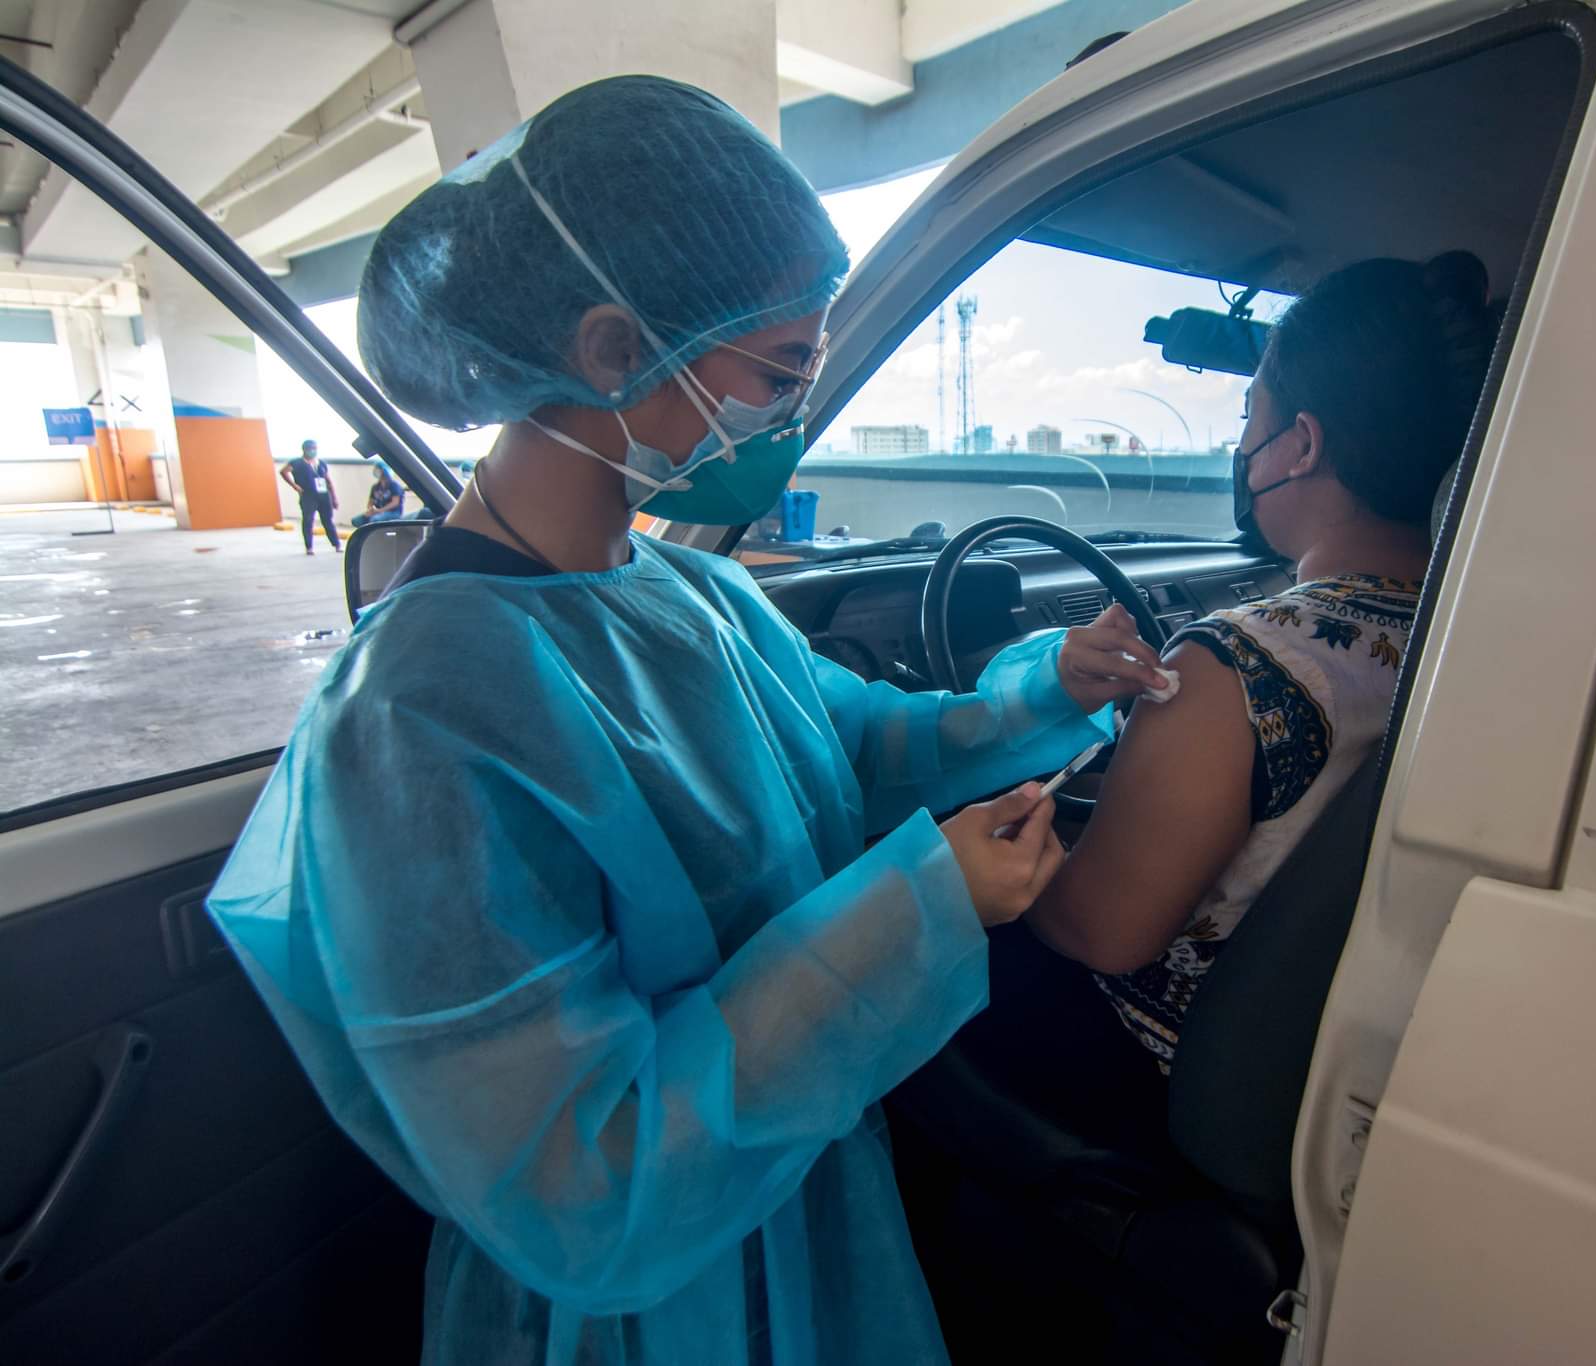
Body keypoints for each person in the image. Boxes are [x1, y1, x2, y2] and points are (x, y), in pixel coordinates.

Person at [204, 77, 1168, 1366]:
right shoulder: (420, 711)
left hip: (798, 1211)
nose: (793, 413)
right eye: (777, 370)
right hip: (636, 1316)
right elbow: (576, 1185)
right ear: (610, 350)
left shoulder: (693, 590)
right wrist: (919, 908)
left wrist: (1044, 691)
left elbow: (852, 748)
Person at [1017, 253, 1496, 1086]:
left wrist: (1009, 854)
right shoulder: (1476, 629)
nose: (1244, 451)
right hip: (1347, 1048)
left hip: (1178, 1073)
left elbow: (1105, 931)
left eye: (1251, 421)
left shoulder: (1238, 661)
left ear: (1301, 445)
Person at [281, 438, 340, 554]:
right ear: (304, 449)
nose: (313, 451)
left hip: (323, 495)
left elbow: (328, 480)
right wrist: (294, 485)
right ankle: (309, 547)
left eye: (315, 448)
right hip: (308, 495)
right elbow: (283, 471)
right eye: (310, 449)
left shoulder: (321, 463)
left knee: (327, 520)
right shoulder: (297, 462)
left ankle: (336, 544)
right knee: (308, 520)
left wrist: (334, 497)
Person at [352, 459, 406, 526]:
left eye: (378, 469)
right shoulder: (375, 487)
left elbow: (395, 503)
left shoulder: (394, 485)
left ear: (384, 471)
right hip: (377, 512)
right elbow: (370, 502)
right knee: (356, 521)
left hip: (393, 513)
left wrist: (380, 511)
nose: (375, 471)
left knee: (375, 520)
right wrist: (371, 510)